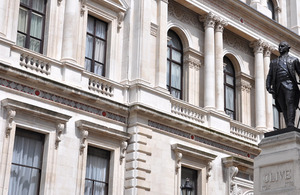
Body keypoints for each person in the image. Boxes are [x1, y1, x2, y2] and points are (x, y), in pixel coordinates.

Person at [266, 41, 300, 128]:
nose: (279, 48)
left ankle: (291, 123)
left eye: (282, 46)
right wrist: (268, 85)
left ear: (287, 48)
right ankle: (287, 123)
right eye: (279, 46)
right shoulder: (274, 62)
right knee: (283, 106)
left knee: (290, 103)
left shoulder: (294, 60)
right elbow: (270, 75)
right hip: (278, 86)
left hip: (290, 85)